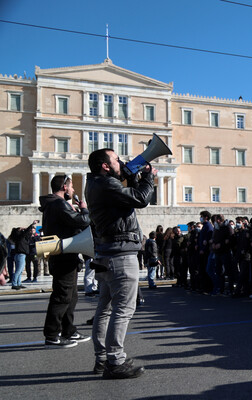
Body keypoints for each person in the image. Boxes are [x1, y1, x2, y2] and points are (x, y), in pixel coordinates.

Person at [86, 148, 155, 379]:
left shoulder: (96, 183)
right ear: (105, 166)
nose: (121, 162)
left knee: (104, 310)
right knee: (124, 309)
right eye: (116, 159)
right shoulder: (106, 185)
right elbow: (140, 199)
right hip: (120, 254)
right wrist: (147, 177)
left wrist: (132, 176)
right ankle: (115, 360)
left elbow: (127, 196)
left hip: (107, 253)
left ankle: (102, 358)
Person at [39, 175, 91, 348]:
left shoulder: (54, 204)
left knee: (71, 296)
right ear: (64, 187)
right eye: (71, 186)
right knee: (62, 296)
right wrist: (84, 210)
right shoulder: (58, 204)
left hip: (66, 253)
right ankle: (52, 335)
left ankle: (69, 330)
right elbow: (82, 222)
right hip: (64, 254)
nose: (73, 190)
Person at [8, 222, 37, 290]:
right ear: (18, 231)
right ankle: (14, 284)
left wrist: (27, 229)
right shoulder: (19, 236)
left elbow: (28, 234)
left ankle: (18, 283)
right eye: (20, 229)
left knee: (20, 271)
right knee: (18, 271)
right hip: (21, 255)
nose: (22, 230)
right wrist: (32, 224)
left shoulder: (20, 237)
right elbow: (26, 232)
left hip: (20, 255)